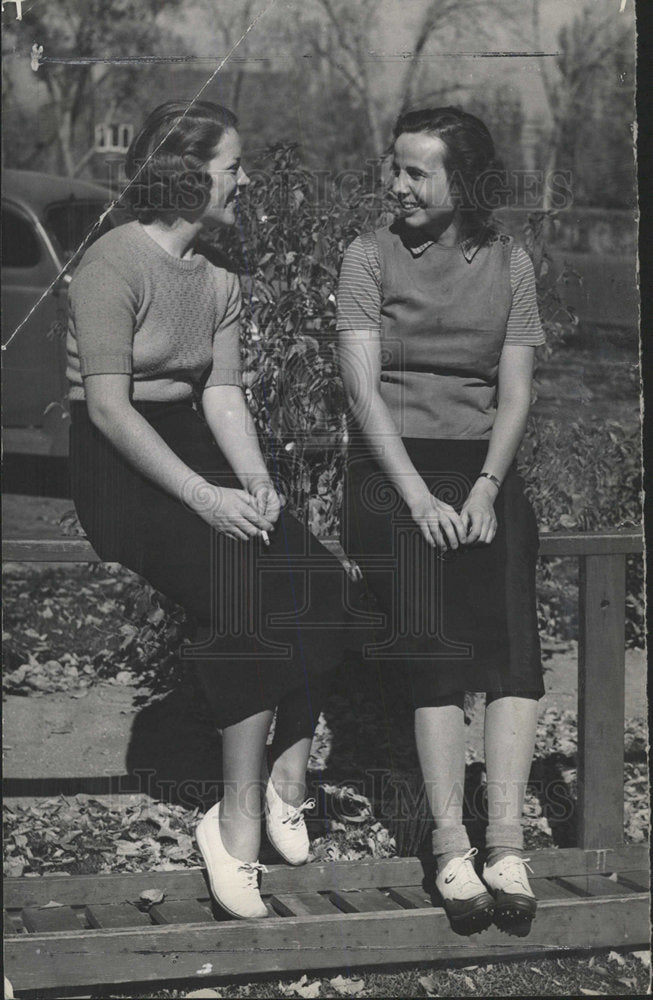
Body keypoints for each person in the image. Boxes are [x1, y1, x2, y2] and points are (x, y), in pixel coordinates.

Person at [66, 100, 370, 920]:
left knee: (322, 584)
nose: (245, 178)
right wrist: (205, 497)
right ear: (186, 170)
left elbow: (223, 391)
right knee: (247, 589)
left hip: (196, 450)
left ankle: (285, 778)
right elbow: (109, 411)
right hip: (120, 470)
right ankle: (232, 825)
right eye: (233, 164)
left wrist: (255, 480)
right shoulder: (112, 263)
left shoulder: (218, 274)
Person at [337, 107, 545, 932]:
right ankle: (449, 845)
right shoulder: (366, 256)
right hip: (391, 471)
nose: (398, 184)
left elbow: (516, 388)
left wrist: (487, 487)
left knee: (509, 644)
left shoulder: (508, 261)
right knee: (430, 637)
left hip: (481, 471)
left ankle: (505, 841)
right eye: (395, 167)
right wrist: (418, 495)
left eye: (417, 171)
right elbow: (359, 390)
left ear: (464, 181)